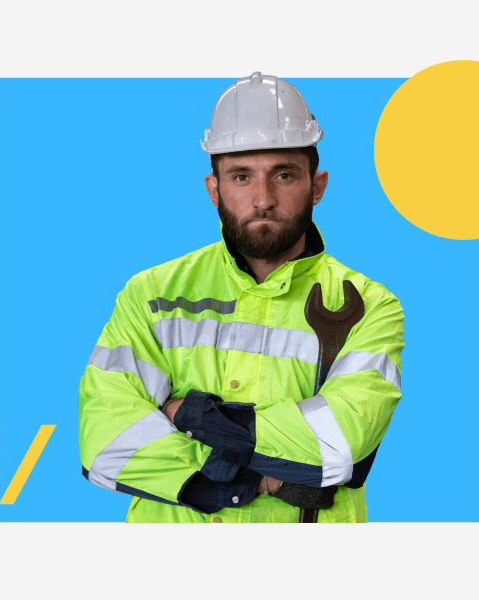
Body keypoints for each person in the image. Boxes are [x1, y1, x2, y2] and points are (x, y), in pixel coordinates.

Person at [78, 72, 405, 523]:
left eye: (283, 174)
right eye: (241, 176)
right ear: (215, 190)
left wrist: (189, 413)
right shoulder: (152, 295)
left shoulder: (370, 306)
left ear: (317, 185)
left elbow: (341, 443)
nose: (263, 198)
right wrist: (263, 479)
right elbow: (106, 439)